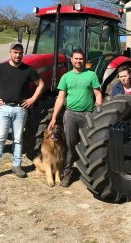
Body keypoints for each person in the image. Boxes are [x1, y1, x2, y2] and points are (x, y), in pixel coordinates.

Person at [0, 42, 45, 182]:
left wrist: (32, 99)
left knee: (17, 139)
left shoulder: (28, 69)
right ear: (10, 52)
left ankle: (17, 166)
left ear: (23, 54)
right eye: (15, 52)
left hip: (20, 109)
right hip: (3, 108)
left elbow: (41, 84)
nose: (17, 55)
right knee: (0, 139)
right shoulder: (1, 68)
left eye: (20, 53)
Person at [47, 49, 102, 187]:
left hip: (88, 114)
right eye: (76, 58)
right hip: (70, 114)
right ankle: (68, 172)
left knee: (90, 143)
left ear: (84, 60)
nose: (78, 61)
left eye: (81, 59)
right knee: (70, 144)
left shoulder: (91, 75)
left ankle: (91, 172)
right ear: (71, 60)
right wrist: (54, 117)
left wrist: (98, 112)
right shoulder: (66, 77)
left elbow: (98, 95)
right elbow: (60, 98)